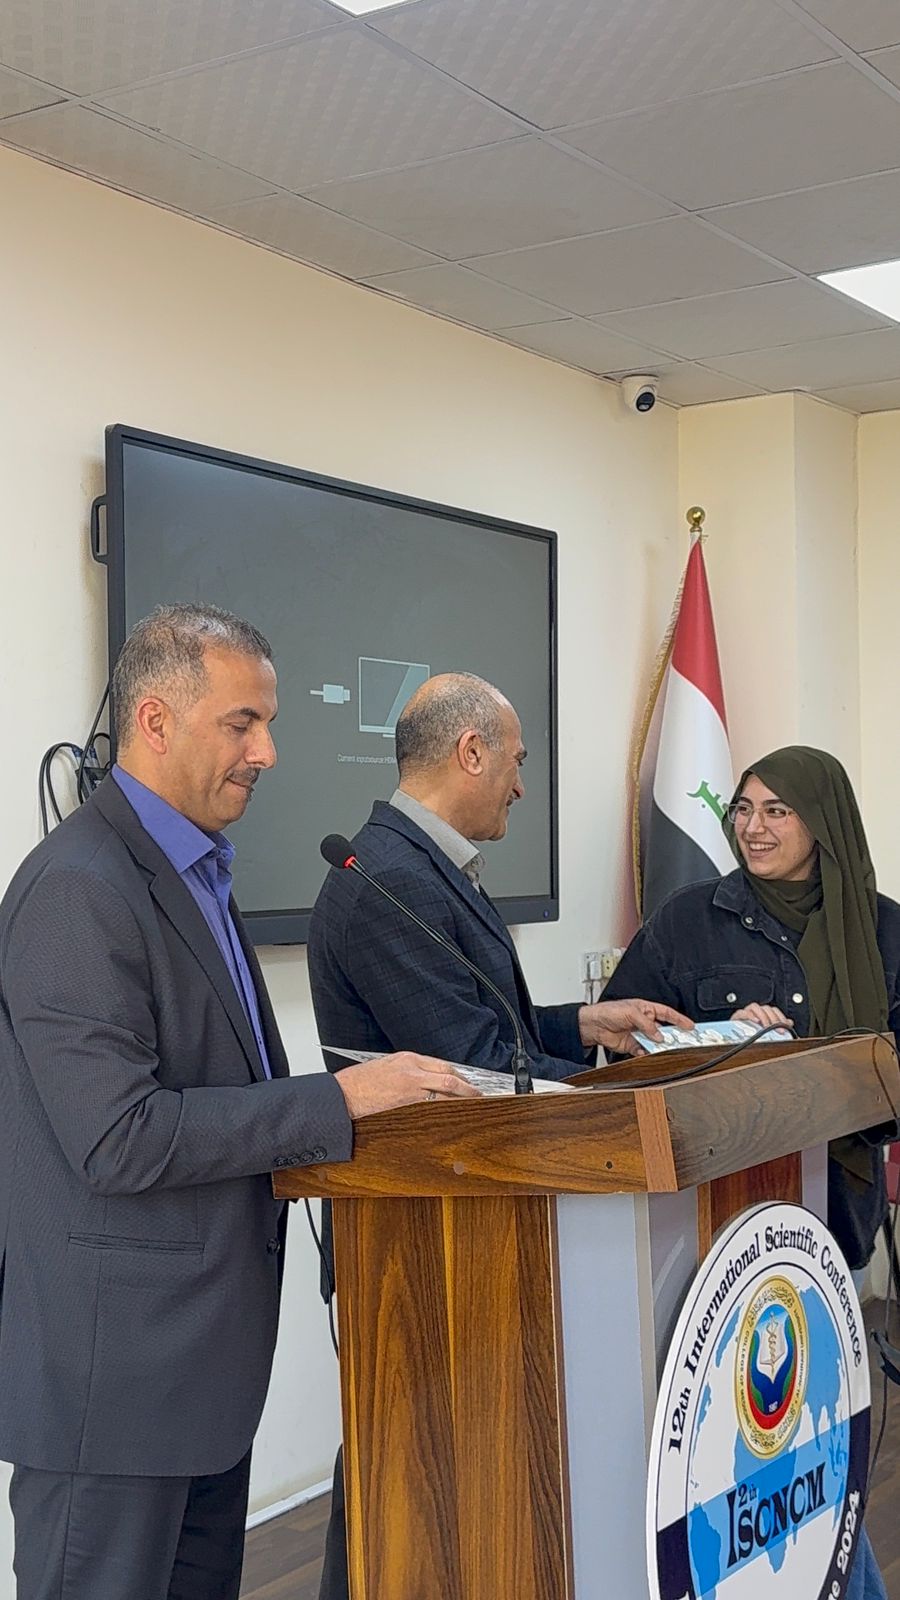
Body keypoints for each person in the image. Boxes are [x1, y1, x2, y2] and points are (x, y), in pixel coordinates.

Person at [0, 604, 477, 1600]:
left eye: (269, 723)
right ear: (155, 721)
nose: (268, 752)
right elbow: (118, 1138)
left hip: (199, 1384)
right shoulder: (79, 887)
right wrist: (337, 1101)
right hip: (115, 1398)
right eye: (242, 723)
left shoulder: (196, 869)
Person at [308, 670, 691, 1599]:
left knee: (443, 1472)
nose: (522, 785)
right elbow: (476, 1072)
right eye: (516, 762)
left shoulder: (421, 866)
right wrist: (632, 1091)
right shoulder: (386, 882)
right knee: (408, 1474)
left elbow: (486, 1033)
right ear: (470, 752)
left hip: (463, 1222)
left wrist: (582, 1025)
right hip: (421, 1237)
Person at [603, 744, 900, 1600]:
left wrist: (807, 1063)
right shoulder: (688, 920)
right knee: (740, 1436)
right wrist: (726, 1043)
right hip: (711, 1221)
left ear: (823, 820)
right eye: (742, 809)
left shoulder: (885, 931)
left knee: (813, 1428)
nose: (753, 827)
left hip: (829, 1216)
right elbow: (625, 1048)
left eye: (777, 810)